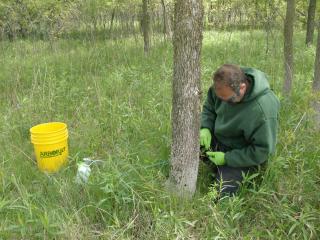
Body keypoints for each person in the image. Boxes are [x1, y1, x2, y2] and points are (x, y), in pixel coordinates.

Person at [200, 64, 280, 196]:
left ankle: (223, 170)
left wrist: (227, 158)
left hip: (242, 154)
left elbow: (262, 151)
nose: (224, 102)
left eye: (229, 100)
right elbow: (209, 106)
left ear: (242, 88)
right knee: (187, 143)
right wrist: (205, 127)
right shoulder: (222, 87)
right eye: (221, 99)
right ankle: (215, 165)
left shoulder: (263, 109)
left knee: (221, 194)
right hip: (220, 139)